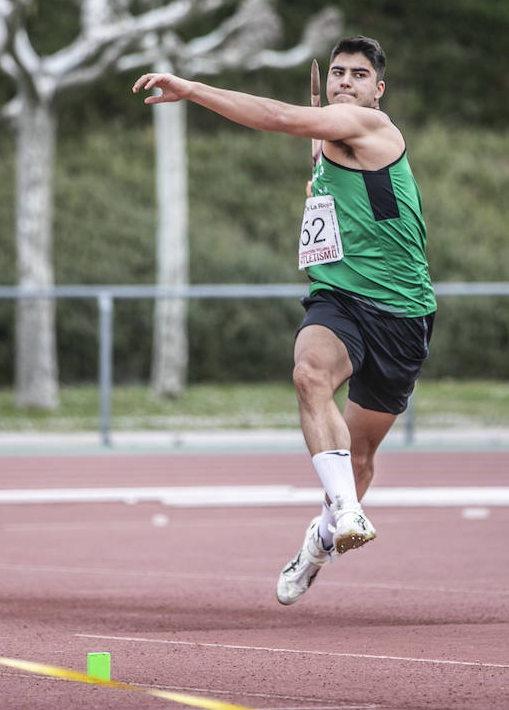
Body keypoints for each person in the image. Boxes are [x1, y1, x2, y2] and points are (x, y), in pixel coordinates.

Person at [132, 36, 435, 607]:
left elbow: (274, 115)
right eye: (340, 72)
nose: (346, 81)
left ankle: (319, 540)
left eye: (359, 75)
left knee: (362, 457)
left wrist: (190, 87)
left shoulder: (371, 127)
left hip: (402, 313)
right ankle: (346, 512)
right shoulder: (327, 145)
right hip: (339, 300)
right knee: (309, 374)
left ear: (378, 90)